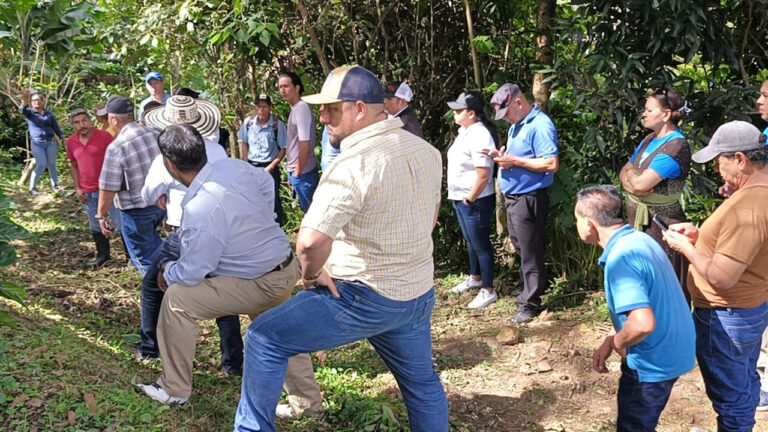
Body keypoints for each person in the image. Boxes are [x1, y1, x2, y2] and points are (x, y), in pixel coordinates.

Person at [234, 65, 448, 432]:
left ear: (359, 109)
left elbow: (310, 241)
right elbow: (430, 217)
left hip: (362, 296)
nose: (323, 118)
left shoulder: (354, 163)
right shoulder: (426, 151)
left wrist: (312, 273)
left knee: (264, 337)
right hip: (416, 293)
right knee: (422, 383)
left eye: (332, 109)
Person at [135, 124, 322, 416]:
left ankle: (174, 389)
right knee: (280, 329)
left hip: (259, 281)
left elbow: (193, 272)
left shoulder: (199, 208)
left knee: (176, 300)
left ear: (169, 164)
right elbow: (265, 182)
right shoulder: (232, 167)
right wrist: (260, 219)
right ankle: (307, 405)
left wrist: (166, 270)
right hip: (284, 267)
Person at [663, 120, 768, 431]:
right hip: (749, 308)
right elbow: (749, 250)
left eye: (720, 160)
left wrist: (686, 248)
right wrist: (700, 237)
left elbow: (722, 277)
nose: (717, 169)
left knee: (731, 400)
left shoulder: (748, 206)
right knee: (745, 381)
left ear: (740, 159)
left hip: (726, 315)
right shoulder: (756, 194)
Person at [575, 185, 695, 431]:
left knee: (633, 426)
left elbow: (642, 324)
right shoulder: (640, 239)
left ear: (589, 223)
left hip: (653, 362)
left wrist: (619, 342)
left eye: (576, 218)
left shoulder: (621, 258)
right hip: (676, 349)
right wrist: (612, 336)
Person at [138, 95, 242, 378]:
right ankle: (233, 363)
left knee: (151, 286)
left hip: (181, 232)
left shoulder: (165, 159)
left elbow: (146, 194)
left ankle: (149, 349)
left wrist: (163, 190)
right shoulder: (216, 150)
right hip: (220, 229)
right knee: (222, 296)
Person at [489, 83, 559, 324]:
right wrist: (503, 157)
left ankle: (531, 303)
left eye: (507, 112)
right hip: (514, 197)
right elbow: (521, 156)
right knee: (521, 246)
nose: (505, 118)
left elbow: (551, 163)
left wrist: (514, 162)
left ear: (518, 102)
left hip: (529, 197)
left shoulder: (540, 125)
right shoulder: (518, 124)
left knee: (531, 251)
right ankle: (528, 287)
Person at [619, 87, 691, 295]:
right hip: (640, 223)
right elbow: (624, 171)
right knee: (645, 282)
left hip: (663, 225)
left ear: (666, 114)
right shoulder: (649, 139)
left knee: (667, 286)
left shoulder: (675, 146)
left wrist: (634, 181)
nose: (644, 114)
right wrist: (634, 182)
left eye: (649, 110)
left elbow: (640, 184)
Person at [96, 96, 165, 275]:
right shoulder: (155, 134)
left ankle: (159, 289)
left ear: (114, 120)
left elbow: (108, 186)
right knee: (156, 248)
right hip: (160, 205)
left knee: (144, 259)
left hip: (136, 211)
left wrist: (101, 215)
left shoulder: (117, 147)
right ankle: (169, 279)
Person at [445, 91, 498, 308]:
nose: (454, 113)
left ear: (472, 113)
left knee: (481, 244)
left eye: (459, 110)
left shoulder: (480, 135)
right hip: (460, 197)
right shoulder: (464, 132)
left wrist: (470, 198)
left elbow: (483, 174)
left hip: (475, 200)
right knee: (471, 241)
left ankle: (488, 289)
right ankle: (475, 278)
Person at [66, 108, 122, 268]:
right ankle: (103, 256)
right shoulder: (71, 141)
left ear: (90, 121)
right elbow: (73, 165)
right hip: (87, 191)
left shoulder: (104, 136)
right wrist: (77, 187)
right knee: (96, 225)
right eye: (77, 122)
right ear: (73, 125)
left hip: (108, 188)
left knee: (119, 223)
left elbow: (117, 159)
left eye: (84, 120)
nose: (81, 125)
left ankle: (130, 257)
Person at [237, 93, 287, 225]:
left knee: (273, 199)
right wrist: (245, 163)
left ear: (270, 108)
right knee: (252, 198)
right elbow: (244, 142)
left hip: (270, 167)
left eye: (264, 106)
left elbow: (283, 148)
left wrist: (271, 166)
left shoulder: (277, 125)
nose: (261, 110)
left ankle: (277, 227)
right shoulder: (248, 123)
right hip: (252, 166)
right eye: (258, 106)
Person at [278, 71, 319, 212]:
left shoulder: (301, 108)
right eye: (280, 87)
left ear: (297, 88)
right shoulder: (295, 109)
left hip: (304, 172)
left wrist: (296, 173)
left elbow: (304, 145)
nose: (282, 90)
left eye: (286, 86)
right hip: (299, 171)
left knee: (312, 214)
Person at [20, 89, 64, 195]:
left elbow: (55, 126)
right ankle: (32, 188)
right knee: (41, 164)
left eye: (39, 99)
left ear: (43, 101)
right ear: (31, 102)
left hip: (51, 142)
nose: (37, 102)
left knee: (52, 164)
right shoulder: (30, 112)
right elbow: (22, 109)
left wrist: (62, 136)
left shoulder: (49, 113)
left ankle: (55, 186)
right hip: (37, 143)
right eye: (34, 100)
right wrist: (24, 98)